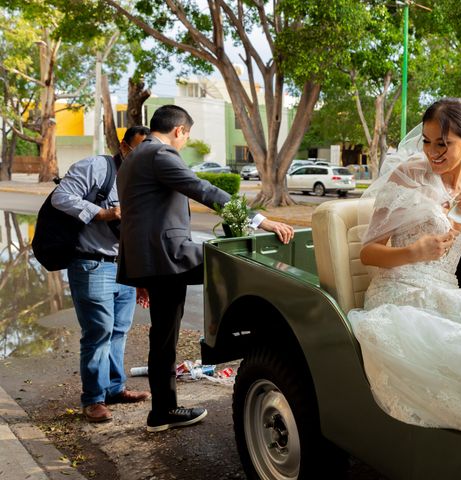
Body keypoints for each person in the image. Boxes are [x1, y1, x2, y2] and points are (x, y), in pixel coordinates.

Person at [117, 105, 294, 433]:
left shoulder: (133, 159)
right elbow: (203, 189)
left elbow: (135, 215)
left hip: (151, 259)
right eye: (187, 136)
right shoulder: (160, 154)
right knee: (235, 261)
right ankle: (237, 334)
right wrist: (260, 220)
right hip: (167, 256)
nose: (185, 142)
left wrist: (140, 272)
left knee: (164, 336)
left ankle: (162, 411)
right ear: (180, 131)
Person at [347, 98, 461, 434]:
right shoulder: (407, 175)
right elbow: (368, 253)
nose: (432, 152)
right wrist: (413, 251)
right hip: (397, 293)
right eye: (426, 140)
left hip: (443, 292)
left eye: (443, 144)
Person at [51, 126, 152, 423]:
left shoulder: (143, 179)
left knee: (119, 330)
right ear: (123, 147)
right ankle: (93, 399)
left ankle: (114, 389)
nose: (143, 157)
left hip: (125, 265)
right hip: (92, 264)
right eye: (137, 149)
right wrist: (102, 213)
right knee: (99, 332)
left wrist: (142, 278)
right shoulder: (96, 167)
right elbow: (61, 197)